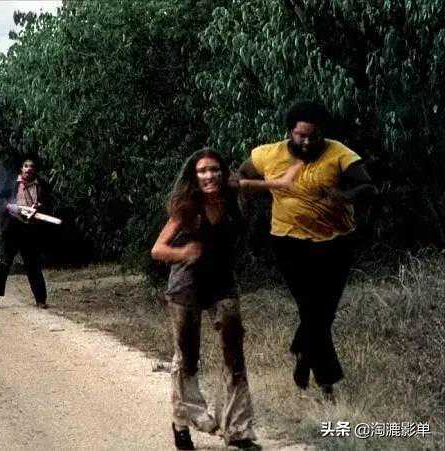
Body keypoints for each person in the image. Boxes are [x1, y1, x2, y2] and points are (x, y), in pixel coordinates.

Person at [151, 148, 298, 450]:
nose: (209, 176)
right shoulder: (186, 207)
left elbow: (264, 184)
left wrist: (289, 174)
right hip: (186, 285)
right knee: (187, 357)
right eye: (202, 171)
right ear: (194, 176)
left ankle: (238, 430)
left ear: (223, 172)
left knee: (234, 355)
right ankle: (182, 422)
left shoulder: (231, 191)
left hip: (222, 283)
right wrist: (182, 253)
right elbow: (157, 250)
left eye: (214, 169)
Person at [238, 100, 376, 402]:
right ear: (290, 131)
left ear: (322, 132)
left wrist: (343, 196)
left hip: (335, 241)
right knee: (310, 308)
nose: (307, 141)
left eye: (313, 135)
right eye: (301, 135)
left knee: (323, 309)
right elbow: (241, 177)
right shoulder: (267, 154)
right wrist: (244, 203)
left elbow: (367, 187)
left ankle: (302, 351)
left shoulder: (339, 153)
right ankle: (327, 382)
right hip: (288, 241)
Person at [0, 158, 50, 309]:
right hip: (12, 228)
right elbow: (0, 199)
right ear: (21, 169)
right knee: (4, 263)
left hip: (30, 229)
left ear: (35, 170)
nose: (28, 169)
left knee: (33, 265)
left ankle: (40, 300)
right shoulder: (12, 183)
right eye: (26, 166)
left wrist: (39, 206)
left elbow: (47, 205)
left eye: (31, 166)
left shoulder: (41, 185)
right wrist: (9, 206)